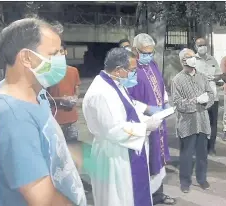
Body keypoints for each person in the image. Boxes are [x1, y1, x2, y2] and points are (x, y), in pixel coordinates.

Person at [0, 18, 86, 206]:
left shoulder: (38, 93)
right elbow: (44, 200)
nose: (61, 60)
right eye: (54, 54)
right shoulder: (13, 116)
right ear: (27, 58)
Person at [82, 47, 163, 206]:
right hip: (114, 155)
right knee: (119, 198)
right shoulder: (102, 92)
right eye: (132, 70)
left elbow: (128, 104)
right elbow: (114, 130)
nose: (135, 74)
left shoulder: (115, 83)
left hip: (125, 149)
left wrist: (147, 109)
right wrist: (145, 127)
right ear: (119, 70)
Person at [127, 33, 176, 205]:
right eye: (144, 52)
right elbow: (128, 98)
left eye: (151, 52)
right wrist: (147, 111)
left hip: (158, 121)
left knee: (158, 158)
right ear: (135, 50)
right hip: (143, 123)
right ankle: (145, 198)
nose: (148, 56)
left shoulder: (153, 64)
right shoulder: (130, 69)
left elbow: (160, 87)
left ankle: (158, 194)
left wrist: (166, 103)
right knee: (146, 159)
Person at [172, 48, 215, 193]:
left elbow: (210, 94)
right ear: (183, 60)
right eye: (190, 57)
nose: (193, 59)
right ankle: (185, 181)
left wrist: (206, 102)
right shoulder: (177, 80)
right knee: (186, 155)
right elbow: (178, 103)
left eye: (194, 56)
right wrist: (195, 100)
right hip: (187, 123)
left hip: (202, 121)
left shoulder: (202, 77)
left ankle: (202, 179)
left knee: (202, 154)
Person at [194, 38, 226, 156]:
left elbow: (219, 75)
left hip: (213, 97)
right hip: (199, 97)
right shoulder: (192, 60)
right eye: (200, 45)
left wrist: (214, 78)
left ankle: (211, 147)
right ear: (195, 47)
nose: (202, 47)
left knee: (213, 123)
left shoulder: (212, 59)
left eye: (204, 45)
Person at [47, 41, 81, 143]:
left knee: (73, 150)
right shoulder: (46, 73)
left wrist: (75, 97)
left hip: (72, 120)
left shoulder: (73, 70)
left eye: (61, 51)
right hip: (55, 121)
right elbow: (41, 98)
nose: (58, 54)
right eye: (54, 52)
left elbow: (77, 88)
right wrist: (61, 100)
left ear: (65, 52)